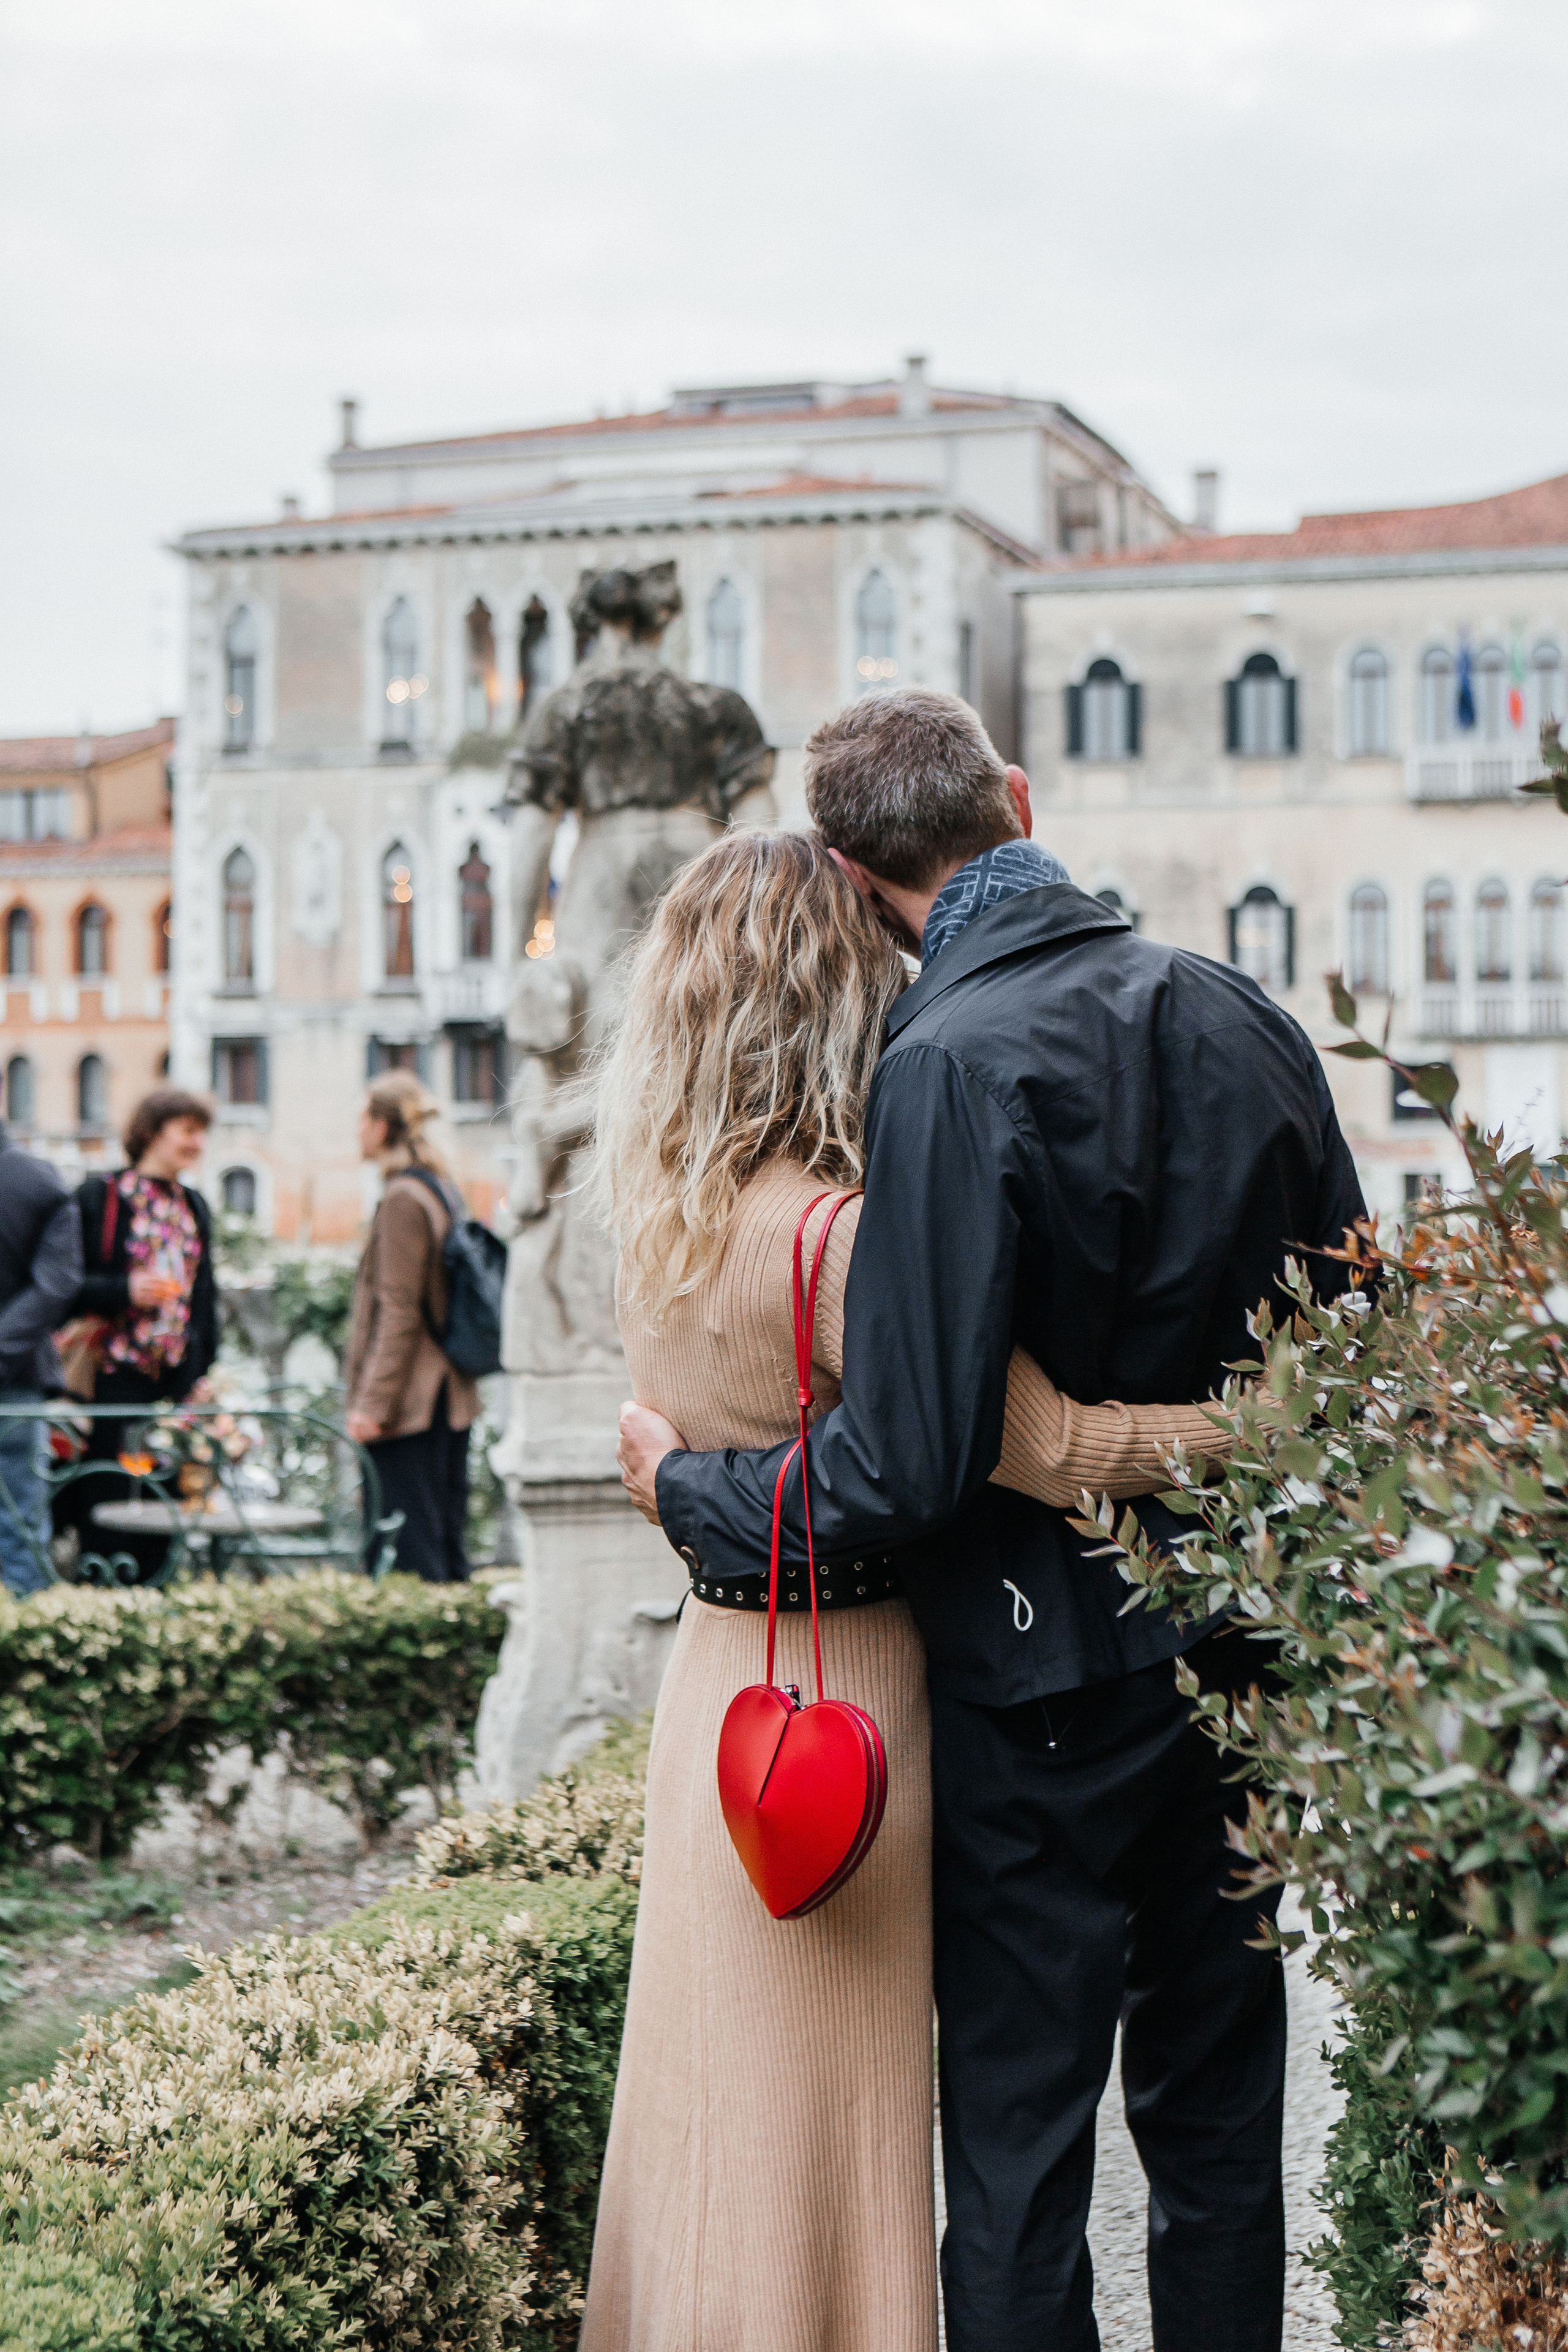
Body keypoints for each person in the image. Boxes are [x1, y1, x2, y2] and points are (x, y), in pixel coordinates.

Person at [619, 689, 1369, 2352]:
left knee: (1023, 2156)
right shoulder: (1247, 1012)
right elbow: (1357, 1343)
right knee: (1221, 2125)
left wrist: (692, 1493)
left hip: (1037, 1693)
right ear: (1016, 799)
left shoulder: (941, 1067)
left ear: (843, 864)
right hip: (1243, 1657)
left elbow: (908, 1464)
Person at [68, 1088, 219, 1583]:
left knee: (164, 1510)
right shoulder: (103, 1196)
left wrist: (200, 1372)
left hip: (171, 1390)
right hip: (111, 1382)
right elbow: (64, 1282)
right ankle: (104, 1609)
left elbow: (204, 1299)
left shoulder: (193, 1204)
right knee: (109, 1504)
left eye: (201, 1132)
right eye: (188, 1131)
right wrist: (124, 1289)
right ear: (152, 1132)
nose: (198, 1143)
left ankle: (155, 1611)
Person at [343, 1071, 478, 1582]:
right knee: (443, 1539)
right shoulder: (438, 1188)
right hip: (445, 1395)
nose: (356, 1131)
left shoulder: (403, 1197)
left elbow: (398, 1312)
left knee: (408, 1551)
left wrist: (370, 1406)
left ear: (381, 1126)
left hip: (411, 1403)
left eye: (362, 1119)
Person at [0, 1123, 83, 1596]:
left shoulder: (36, 1181)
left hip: (16, 1383)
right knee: (20, 1530)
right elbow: (56, 1284)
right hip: (17, 1375)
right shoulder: (38, 1179)